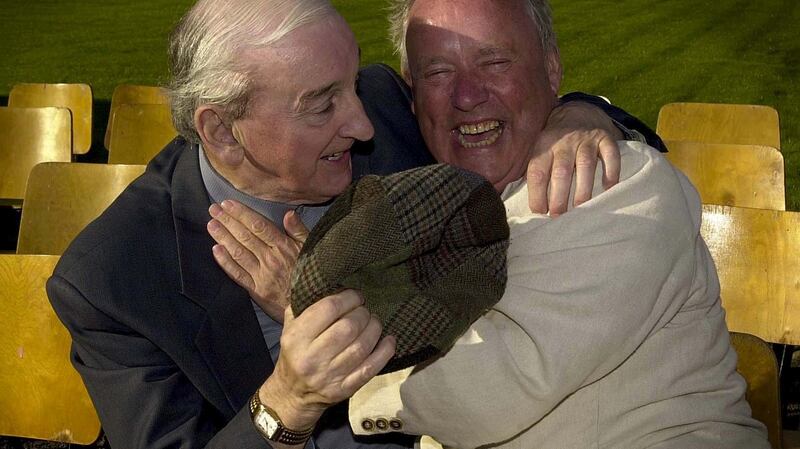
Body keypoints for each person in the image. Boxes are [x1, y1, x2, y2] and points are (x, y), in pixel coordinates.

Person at [46, 1, 661, 448]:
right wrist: (289, 399)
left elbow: (517, 110)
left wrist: (579, 114)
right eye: (323, 106)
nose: (362, 124)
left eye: (352, 85)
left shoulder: (385, 107)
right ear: (222, 131)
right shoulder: (113, 280)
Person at [210, 0, 771, 447]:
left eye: (495, 62)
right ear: (412, 95)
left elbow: (489, 394)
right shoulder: (432, 186)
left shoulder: (617, 184)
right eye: (437, 72)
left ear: (551, 69)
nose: (467, 95)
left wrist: (317, 316)